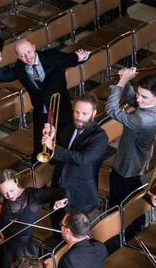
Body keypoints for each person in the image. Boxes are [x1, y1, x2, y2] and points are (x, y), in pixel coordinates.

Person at [0, 39, 89, 155]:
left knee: (64, 141)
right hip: (41, 112)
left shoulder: (51, 56)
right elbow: (3, 76)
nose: (28, 57)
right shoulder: (20, 67)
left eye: (29, 52)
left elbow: (72, 59)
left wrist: (84, 56)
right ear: (18, 56)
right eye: (22, 55)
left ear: (34, 47)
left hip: (61, 108)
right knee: (39, 147)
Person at [0, 169, 68, 268]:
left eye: (11, 190)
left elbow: (64, 193)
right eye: (5, 193)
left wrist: (61, 201)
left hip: (22, 250)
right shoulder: (0, 197)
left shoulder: (33, 195)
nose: (10, 195)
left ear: (16, 181)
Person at [107, 69, 156, 214]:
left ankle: (116, 227)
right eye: (138, 93)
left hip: (129, 161)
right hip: (141, 155)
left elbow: (111, 110)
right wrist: (125, 80)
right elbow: (134, 101)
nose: (139, 99)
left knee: (118, 202)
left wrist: (122, 81)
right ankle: (135, 222)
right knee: (133, 192)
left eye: (144, 97)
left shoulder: (142, 119)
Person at [41, 92, 108, 222]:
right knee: (55, 223)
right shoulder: (69, 127)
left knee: (73, 231)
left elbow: (81, 159)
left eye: (84, 114)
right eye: (77, 112)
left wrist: (53, 147)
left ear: (94, 113)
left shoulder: (100, 137)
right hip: (59, 186)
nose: (79, 117)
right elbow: (57, 157)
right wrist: (51, 138)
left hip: (79, 194)